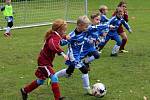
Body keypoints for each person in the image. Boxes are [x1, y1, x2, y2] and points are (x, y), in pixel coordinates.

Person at [20, 19, 68, 100]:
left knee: (41, 81)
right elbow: (53, 45)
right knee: (54, 77)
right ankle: (57, 98)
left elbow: (60, 42)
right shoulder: (53, 37)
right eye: (64, 30)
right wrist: (62, 53)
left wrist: (67, 39)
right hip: (44, 62)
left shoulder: (55, 35)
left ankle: (25, 90)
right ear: (59, 30)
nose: (65, 31)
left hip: (44, 60)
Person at [55, 15, 93, 95]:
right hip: (73, 56)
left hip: (78, 55)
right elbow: (62, 43)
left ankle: (54, 77)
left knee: (69, 71)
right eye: (86, 26)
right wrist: (62, 39)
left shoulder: (83, 31)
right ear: (79, 25)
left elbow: (83, 38)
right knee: (85, 70)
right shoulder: (72, 35)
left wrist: (89, 40)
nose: (87, 28)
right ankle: (88, 89)